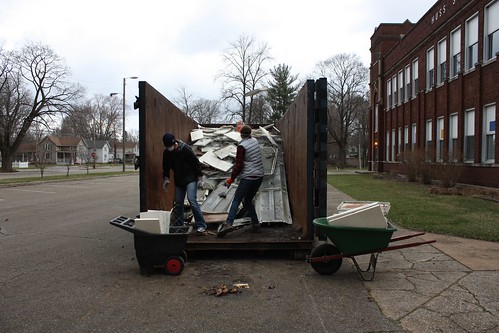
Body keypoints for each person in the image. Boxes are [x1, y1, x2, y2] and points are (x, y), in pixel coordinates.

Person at [217, 125, 264, 238]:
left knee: (237, 199)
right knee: (247, 200)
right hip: (259, 176)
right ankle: (256, 223)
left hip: (248, 177)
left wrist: (231, 179)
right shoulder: (255, 141)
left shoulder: (241, 146)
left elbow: (238, 166)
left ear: (241, 134)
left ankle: (228, 223)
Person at [162, 133, 207, 234]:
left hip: (190, 178)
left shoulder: (185, 149)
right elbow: (165, 166)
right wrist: (166, 179)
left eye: (170, 146)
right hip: (179, 180)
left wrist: (200, 178)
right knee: (178, 203)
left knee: (192, 200)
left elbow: (196, 163)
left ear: (175, 143)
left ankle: (201, 225)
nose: (169, 148)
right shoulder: (167, 153)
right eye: (167, 147)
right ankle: (179, 225)